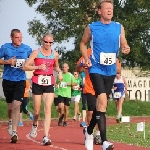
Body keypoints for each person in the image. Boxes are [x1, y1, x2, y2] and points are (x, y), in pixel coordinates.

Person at [80, 0, 130, 150]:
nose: (110, 10)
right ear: (99, 11)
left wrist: (126, 47)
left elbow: (123, 42)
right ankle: (104, 141)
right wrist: (86, 58)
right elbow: (82, 43)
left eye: (111, 8)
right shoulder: (91, 27)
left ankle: (89, 132)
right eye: (106, 8)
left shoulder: (118, 27)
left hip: (110, 70)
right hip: (95, 68)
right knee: (101, 99)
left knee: (102, 104)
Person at [24, 33, 63, 145]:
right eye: (46, 42)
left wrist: (59, 72)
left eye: (50, 42)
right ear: (42, 41)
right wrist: (38, 67)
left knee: (47, 109)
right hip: (37, 81)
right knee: (36, 112)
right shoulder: (36, 52)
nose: (48, 44)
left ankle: (45, 136)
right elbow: (26, 66)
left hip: (49, 82)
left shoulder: (55, 54)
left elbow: (56, 66)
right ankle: (35, 124)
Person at [0, 29, 32, 143]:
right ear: (11, 37)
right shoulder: (5, 47)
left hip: (21, 80)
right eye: (17, 37)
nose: (20, 39)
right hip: (8, 80)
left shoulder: (27, 48)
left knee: (16, 105)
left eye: (21, 37)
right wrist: (8, 62)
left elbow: (33, 60)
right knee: (10, 107)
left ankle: (14, 132)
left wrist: (28, 64)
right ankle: (10, 121)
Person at [76, 48, 101, 145]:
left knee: (100, 111)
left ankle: (98, 134)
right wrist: (82, 64)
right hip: (90, 87)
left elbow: (118, 68)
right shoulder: (87, 52)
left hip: (102, 86)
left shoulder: (106, 50)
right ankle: (90, 133)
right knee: (91, 112)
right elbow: (78, 68)